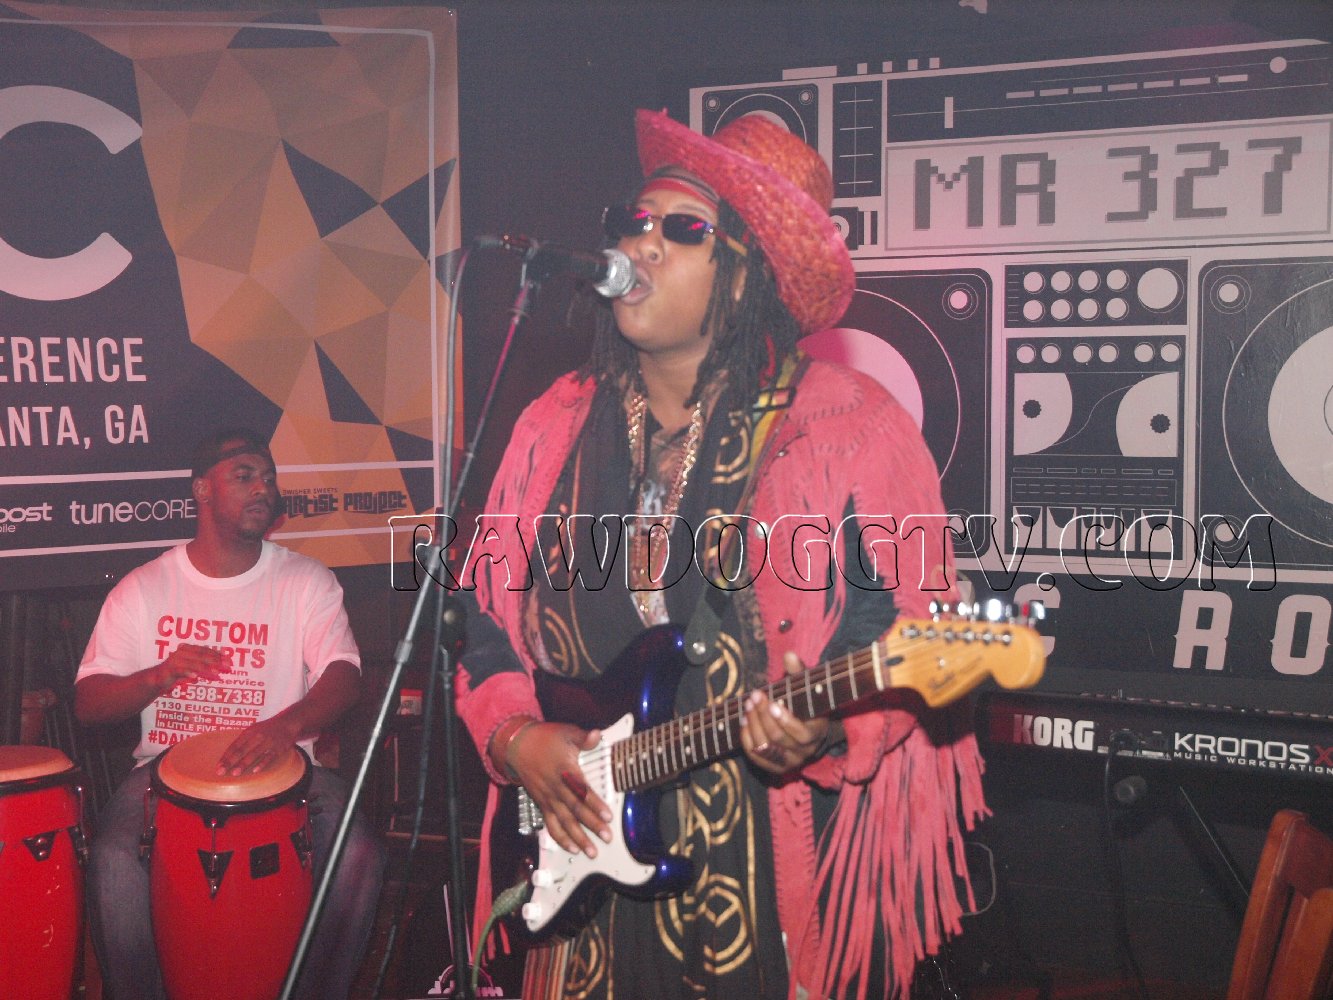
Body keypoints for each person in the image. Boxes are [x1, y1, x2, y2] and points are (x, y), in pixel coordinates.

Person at [455, 110, 989, 999]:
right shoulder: (554, 422)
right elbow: (483, 623)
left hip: (757, 854)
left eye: (682, 228)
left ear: (746, 274)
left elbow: (892, 625)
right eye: (634, 221)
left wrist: (822, 731)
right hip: (580, 853)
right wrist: (516, 739)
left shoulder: (844, 426)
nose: (642, 243)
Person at [74, 427, 385, 1000]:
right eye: (244, 476)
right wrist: (158, 675)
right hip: (164, 773)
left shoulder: (306, 581)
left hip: (285, 767)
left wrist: (284, 727)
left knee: (357, 851)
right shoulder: (144, 588)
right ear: (202, 490)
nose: (262, 488)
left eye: (268, 477)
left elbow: (345, 677)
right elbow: (90, 703)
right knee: (115, 861)